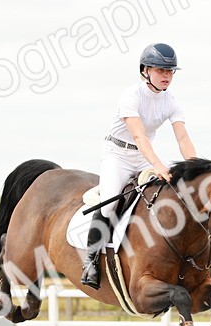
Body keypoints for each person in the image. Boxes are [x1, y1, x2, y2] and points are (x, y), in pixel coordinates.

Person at [81, 43, 197, 289]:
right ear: (146, 70)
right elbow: (139, 137)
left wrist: (195, 170)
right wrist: (159, 166)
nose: (167, 76)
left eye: (170, 72)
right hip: (118, 154)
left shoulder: (171, 102)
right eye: (161, 70)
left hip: (146, 156)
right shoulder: (130, 97)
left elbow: (183, 138)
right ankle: (90, 261)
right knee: (111, 203)